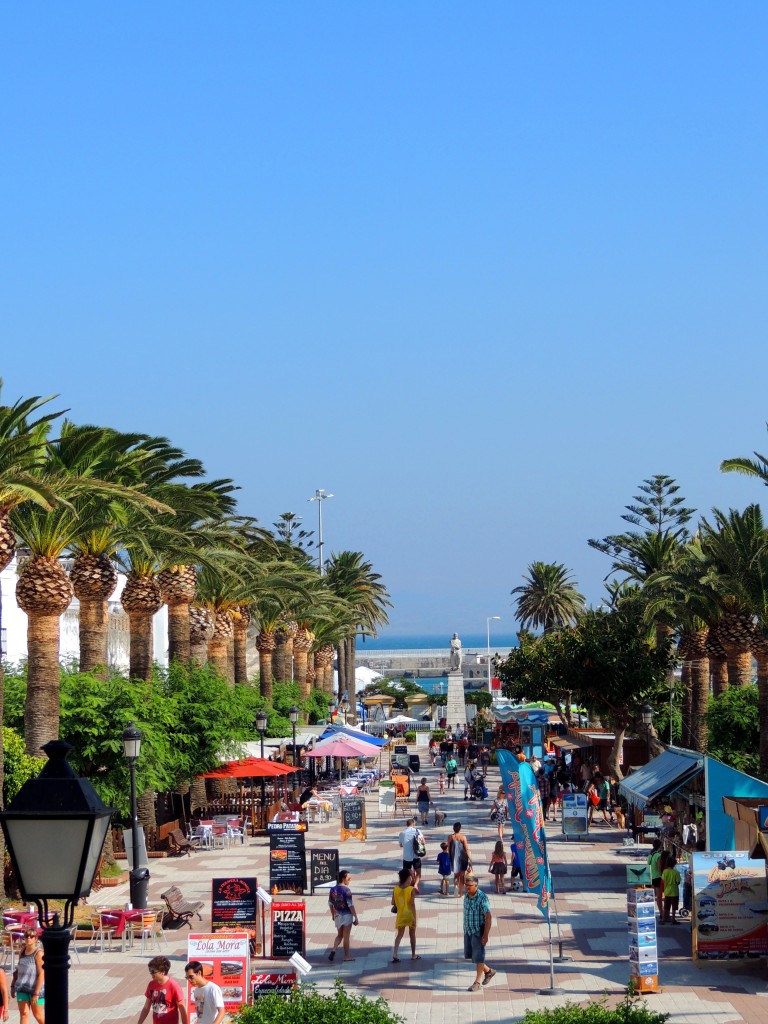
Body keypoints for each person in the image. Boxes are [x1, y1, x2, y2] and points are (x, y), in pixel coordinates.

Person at [462, 873, 495, 992]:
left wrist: (485, 935)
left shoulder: (482, 898)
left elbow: (488, 917)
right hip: (468, 930)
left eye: (469, 885)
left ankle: (477, 982)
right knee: (473, 956)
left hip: (478, 931)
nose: (467, 887)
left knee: (479, 957)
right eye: (466, 885)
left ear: (476, 886)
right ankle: (489, 971)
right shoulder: (467, 896)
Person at [137, 957, 188, 1024]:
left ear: (162, 972)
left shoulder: (174, 986)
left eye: (153, 971)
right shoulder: (151, 985)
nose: (151, 974)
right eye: (150, 970)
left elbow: (182, 1010)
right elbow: (146, 1008)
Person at [12, 928, 44, 1024]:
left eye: (31, 936)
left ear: (36, 939)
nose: (28, 938)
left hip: (35, 989)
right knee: (24, 1014)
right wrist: (13, 985)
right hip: (22, 987)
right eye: (26, 936)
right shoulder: (22, 951)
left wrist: (36, 993)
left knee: (38, 1015)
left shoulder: (39, 953)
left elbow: (42, 973)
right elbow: (18, 970)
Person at [328, 869, 358, 961]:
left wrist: (333, 915)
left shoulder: (333, 889)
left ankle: (334, 949)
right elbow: (350, 905)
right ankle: (346, 956)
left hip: (337, 915)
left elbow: (330, 904)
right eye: (349, 878)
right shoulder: (347, 890)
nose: (350, 880)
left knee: (339, 935)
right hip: (346, 915)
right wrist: (355, 917)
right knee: (346, 937)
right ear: (343, 879)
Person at [391, 867, 420, 962]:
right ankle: (413, 954)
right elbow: (412, 904)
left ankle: (395, 953)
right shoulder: (411, 890)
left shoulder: (395, 889)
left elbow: (392, 902)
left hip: (400, 915)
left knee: (399, 935)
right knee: (412, 934)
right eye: (410, 876)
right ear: (408, 878)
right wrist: (414, 918)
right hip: (410, 915)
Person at [448, 821, 471, 896]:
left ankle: (456, 887)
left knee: (456, 876)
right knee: (462, 877)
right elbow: (466, 849)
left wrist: (449, 857)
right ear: (460, 828)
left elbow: (448, 848)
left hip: (454, 858)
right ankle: (461, 893)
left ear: (453, 829)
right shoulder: (463, 837)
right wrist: (470, 858)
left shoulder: (450, 837)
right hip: (462, 858)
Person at [661, 855, 682, 924]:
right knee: (674, 907)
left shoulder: (665, 871)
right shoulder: (676, 872)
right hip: (674, 892)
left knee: (666, 906)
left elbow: (663, 880)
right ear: (674, 864)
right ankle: (673, 919)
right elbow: (678, 882)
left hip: (667, 891)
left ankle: (663, 919)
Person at [647, 839, 663, 917]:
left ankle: (650, 912)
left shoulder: (650, 855)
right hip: (657, 877)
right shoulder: (658, 856)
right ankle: (661, 913)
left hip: (651, 878)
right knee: (659, 897)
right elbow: (659, 868)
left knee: (652, 897)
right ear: (660, 846)